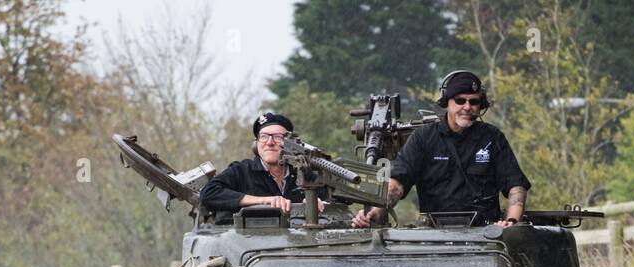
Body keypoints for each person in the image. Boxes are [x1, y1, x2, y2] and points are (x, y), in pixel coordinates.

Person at [352, 71, 530, 229]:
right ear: (447, 102)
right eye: (460, 100)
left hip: (484, 234)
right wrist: (374, 212)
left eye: (474, 101)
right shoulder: (424, 137)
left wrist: (511, 222)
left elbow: (515, 186)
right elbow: (398, 183)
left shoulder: (492, 137)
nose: (467, 107)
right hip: (435, 234)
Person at [200, 112, 309, 217]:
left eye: (278, 137)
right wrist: (265, 201)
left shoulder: (303, 172)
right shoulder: (242, 171)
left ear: (290, 144)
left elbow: (319, 198)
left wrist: (314, 202)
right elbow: (208, 193)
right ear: (256, 144)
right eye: (264, 136)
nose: (270, 142)